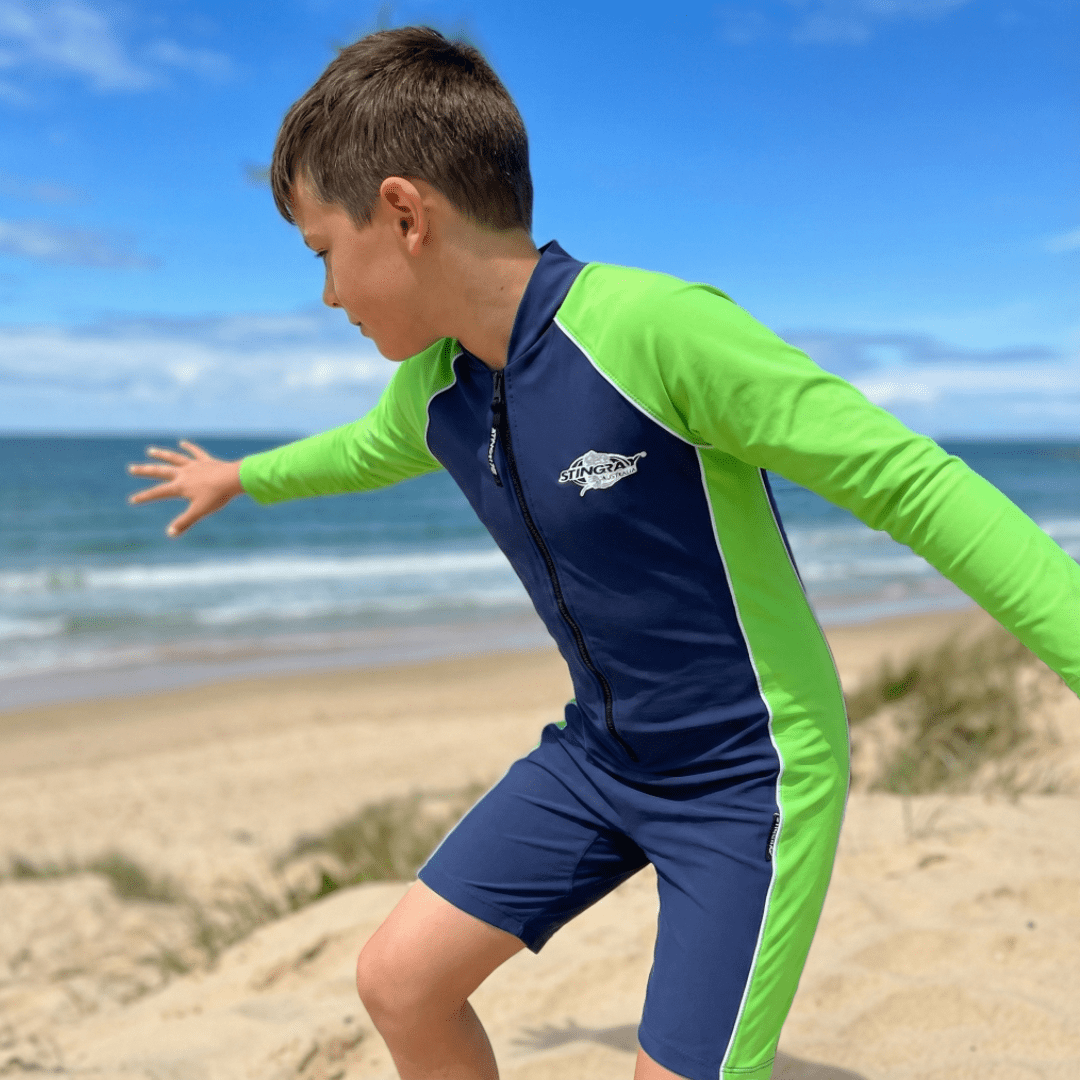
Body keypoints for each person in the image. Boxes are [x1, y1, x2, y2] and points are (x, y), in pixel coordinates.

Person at [127, 26, 1080, 1080]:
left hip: (746, 775)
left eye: (321, 253)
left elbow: (911, 483)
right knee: (399, 981)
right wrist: (239, 477)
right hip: (599, 757)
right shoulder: (435, 390)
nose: (328, 297)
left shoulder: (654, 330)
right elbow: (354, 453)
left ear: (403, 214)